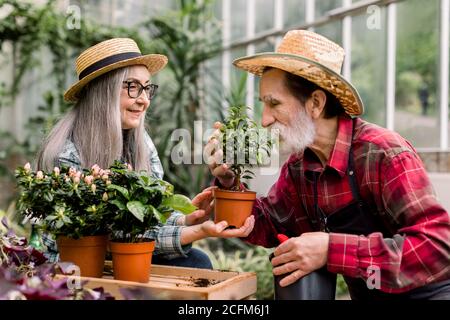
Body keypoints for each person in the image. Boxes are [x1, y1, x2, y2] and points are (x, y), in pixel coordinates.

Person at [207, 30, 450, 299]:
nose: (264, 120)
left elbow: (437, 247)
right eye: (263, 104)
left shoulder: (383, 154)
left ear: (316, 103)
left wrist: (330, 249)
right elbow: (266, 225)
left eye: (274, 103)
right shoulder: (300, 167)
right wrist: (229, 182)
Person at [36, 38, 254, 269]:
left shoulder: (139, 141)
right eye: (132, 87)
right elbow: (113, 237)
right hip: (79, 262)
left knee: (197, 262)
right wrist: (194, 232)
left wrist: (184, 218)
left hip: (123, 252)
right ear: (103, 92)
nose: (144, 100)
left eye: (147, 88)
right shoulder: (67, 153)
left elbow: (145, 213)